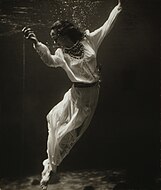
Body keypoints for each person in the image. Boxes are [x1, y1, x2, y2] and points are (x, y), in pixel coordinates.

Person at [22, 1, 123, 189]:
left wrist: (118, 7)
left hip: (91, 95)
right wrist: (36, 43)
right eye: (52, 39)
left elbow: (107, 26)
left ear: (64, 34)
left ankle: (51, 167)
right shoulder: (61, 53)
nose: (54, 42)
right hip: (75, 94)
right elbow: (51, 61)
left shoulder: (88, 39)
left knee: (69, 134)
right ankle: (51, 168)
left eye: (55, 37)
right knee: (54, 122)